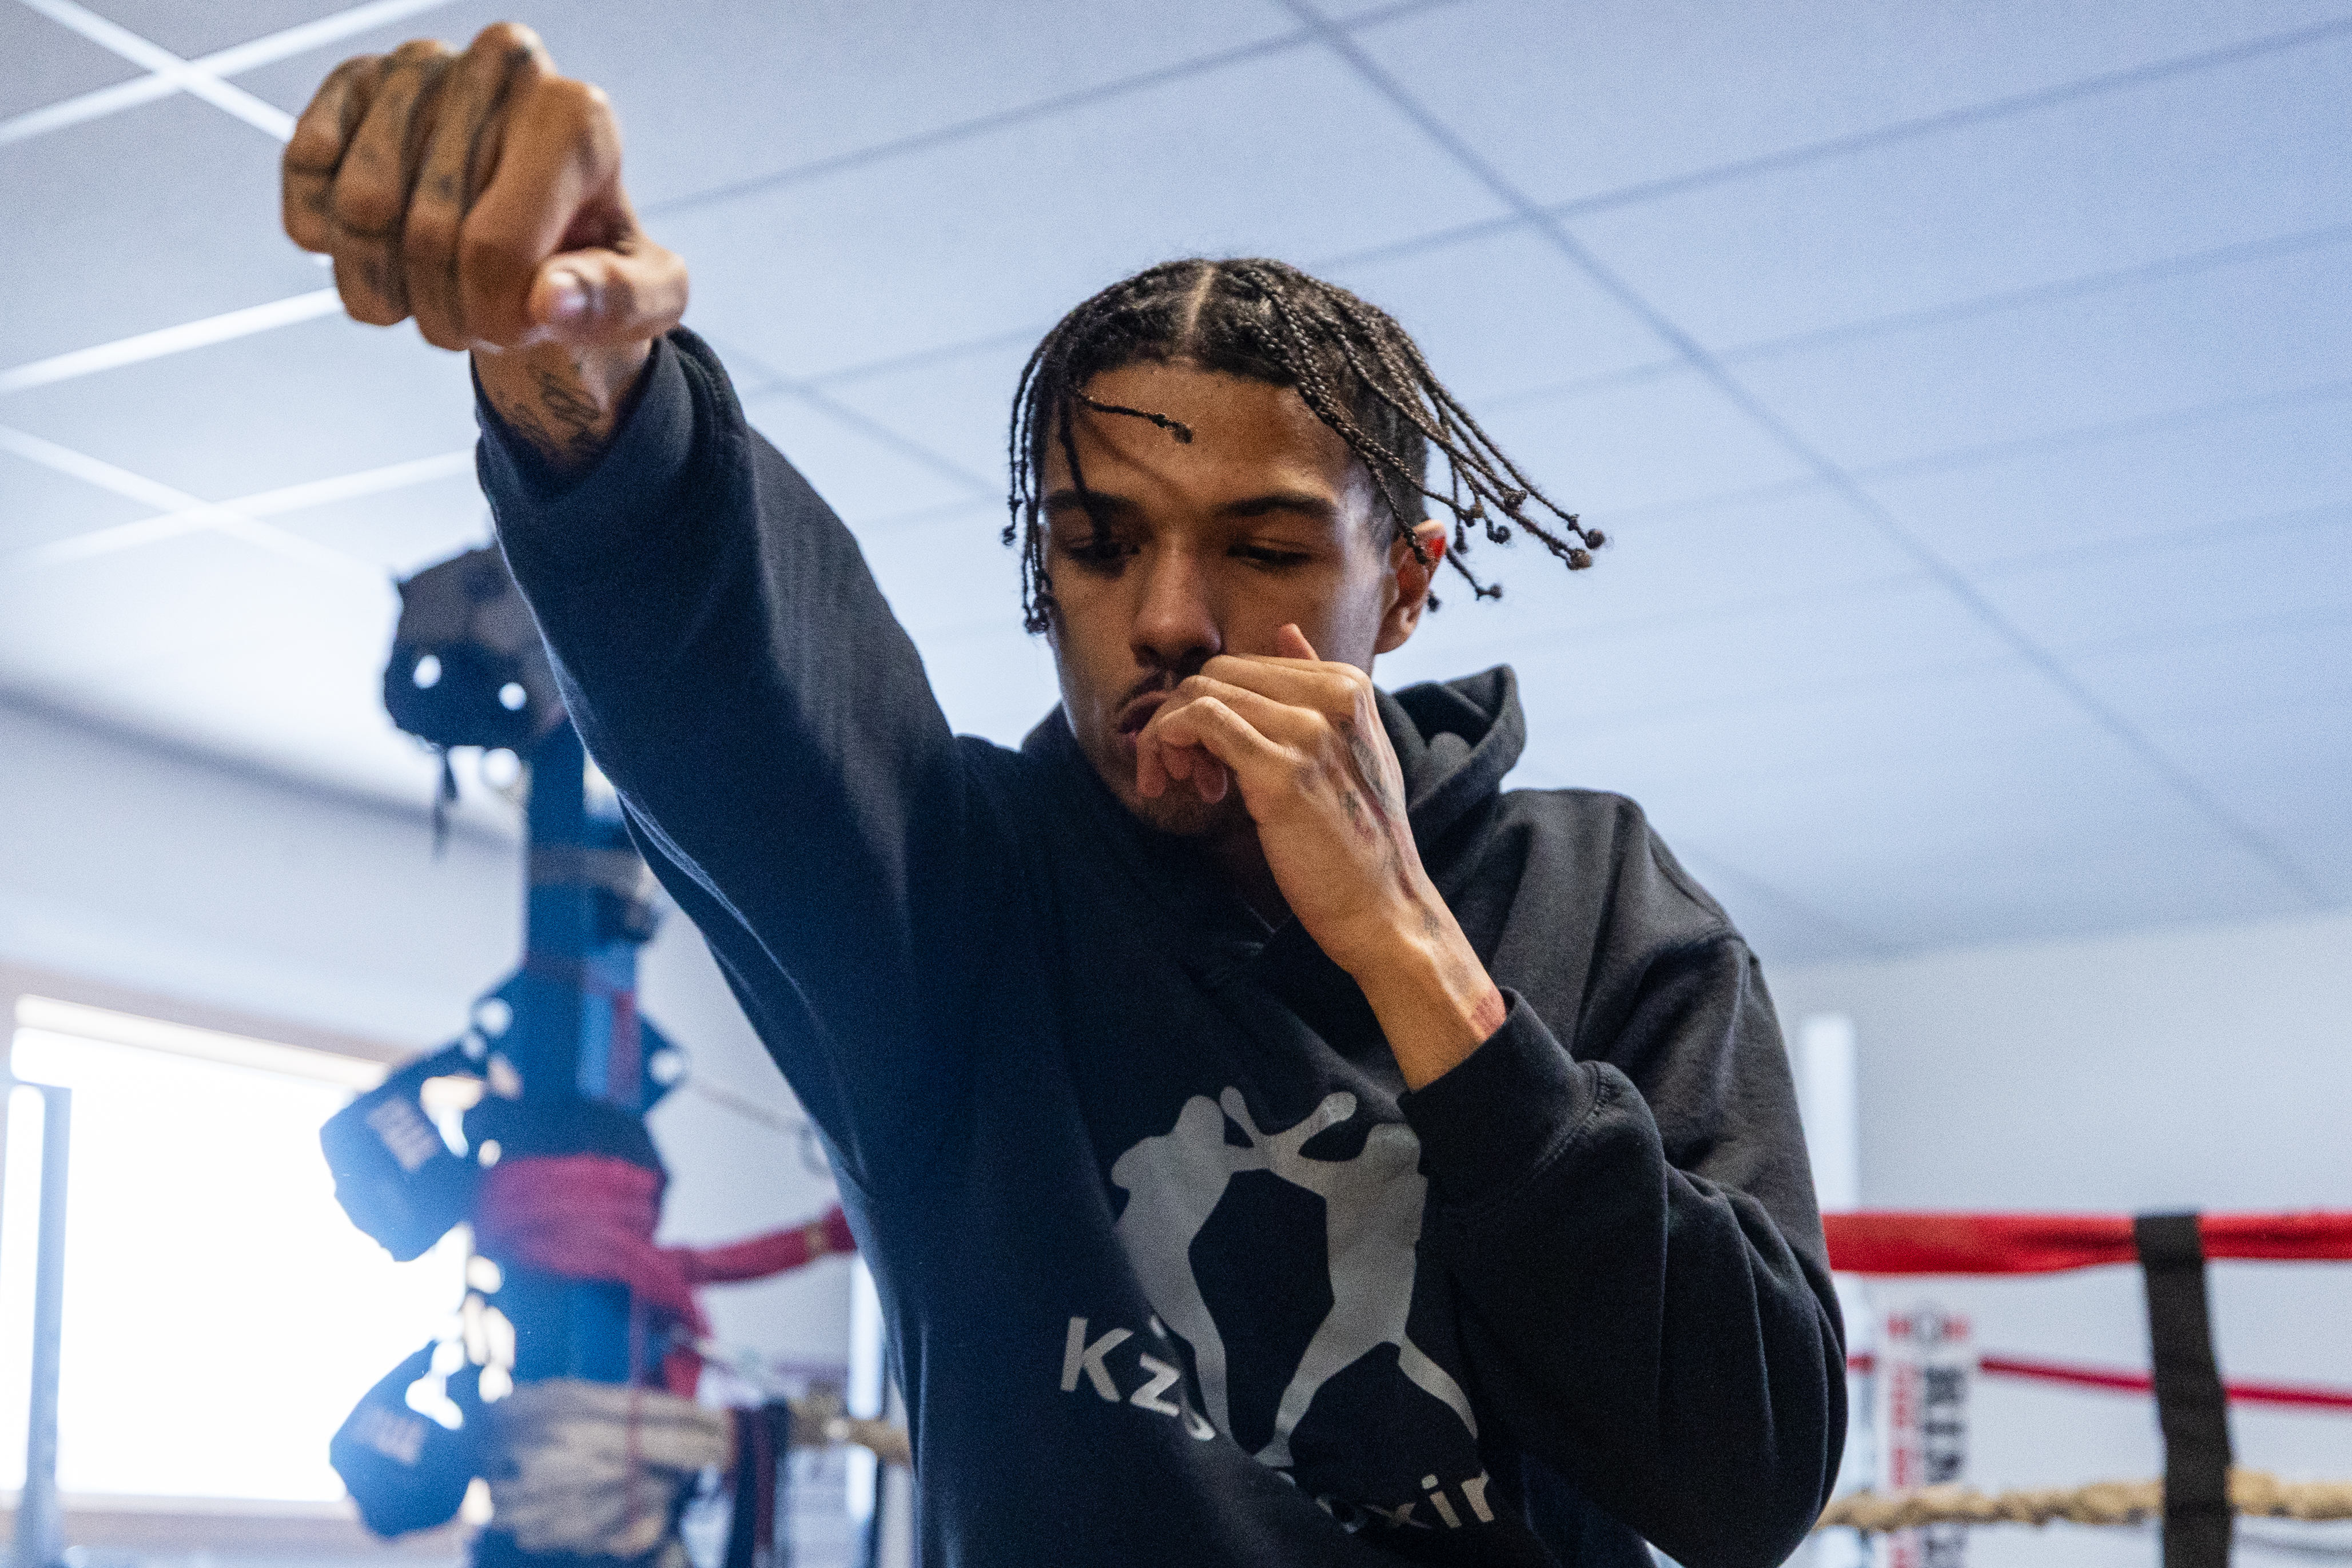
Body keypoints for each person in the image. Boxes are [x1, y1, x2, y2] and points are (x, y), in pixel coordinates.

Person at [284, 23, 1845, 1566]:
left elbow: (1745, 1482)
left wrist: (1407, 949)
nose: (1168, 616)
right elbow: (735, 682)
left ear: (1410, 586)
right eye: (1097, 544)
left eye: (1265, 547)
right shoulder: (960, 894)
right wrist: (573, 358)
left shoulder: (1598, 897)